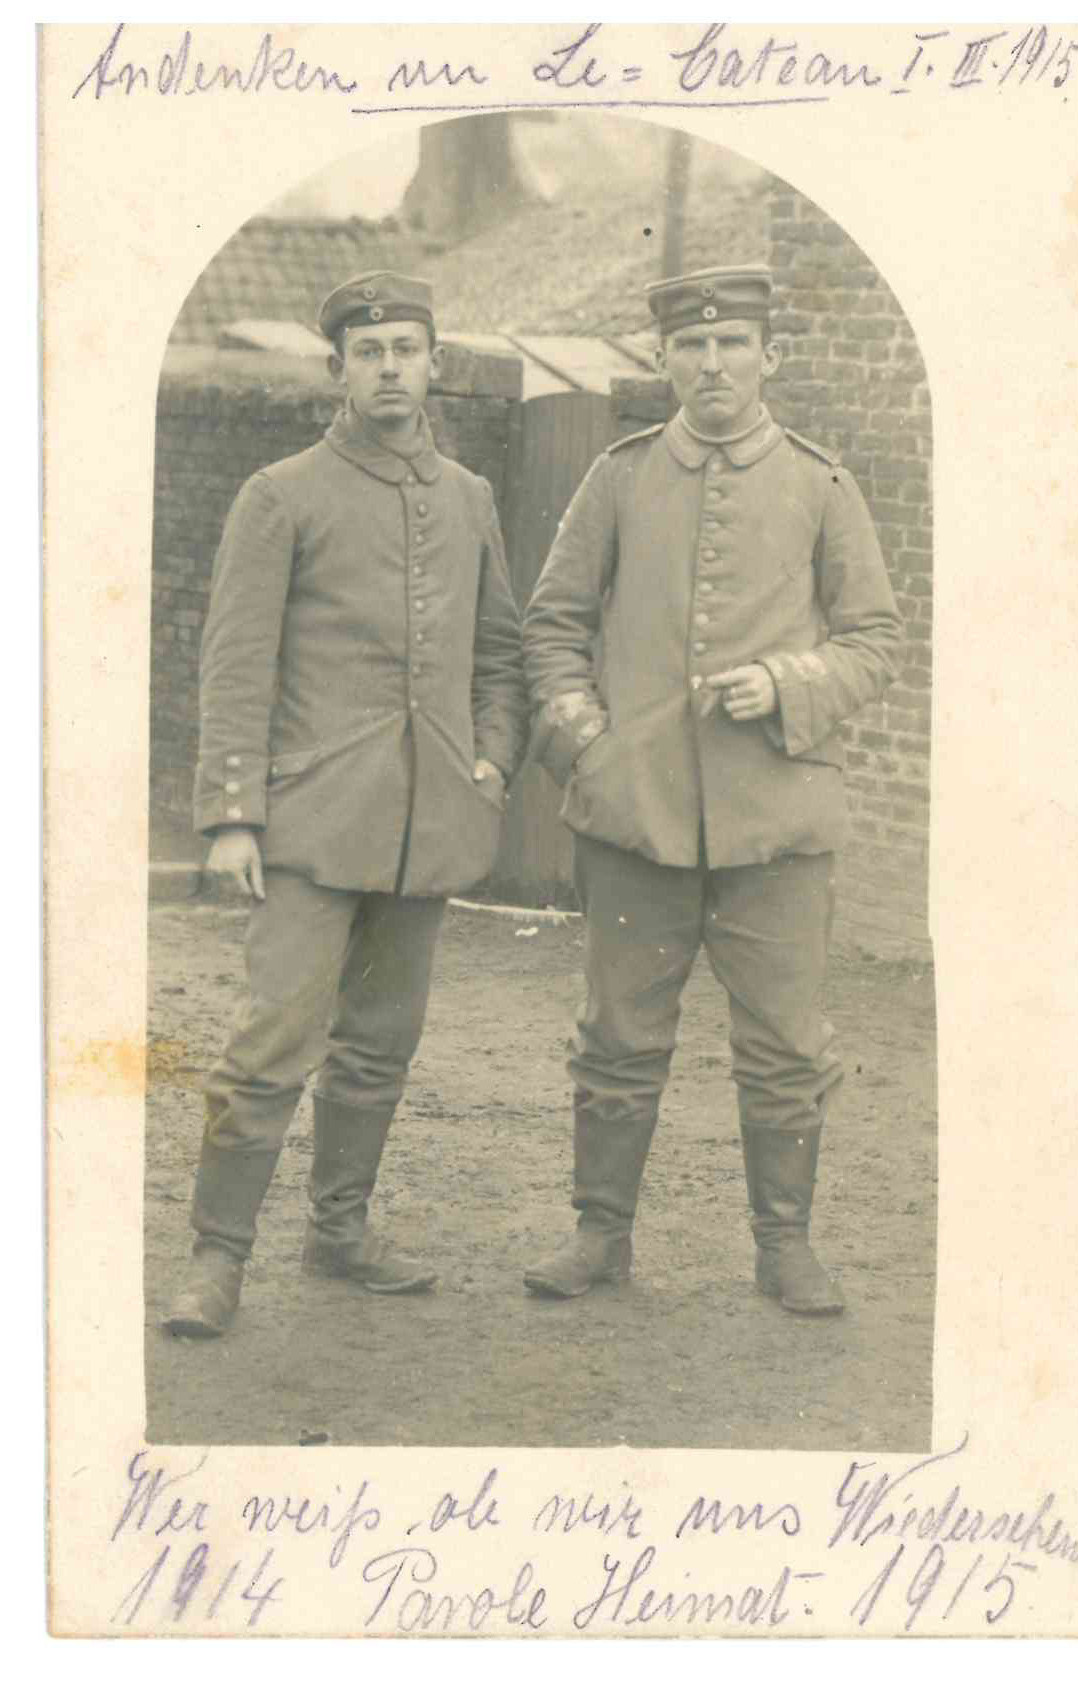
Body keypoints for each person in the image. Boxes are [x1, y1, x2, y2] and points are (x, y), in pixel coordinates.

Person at [521, 264, 904, 1315]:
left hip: (776, 823)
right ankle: (599, 1234)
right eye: (690, 346)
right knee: (616, 1037)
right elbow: (551, 626)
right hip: (633, 818)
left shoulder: (822, 485)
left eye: (732, 343)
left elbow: (875, 641)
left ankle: (784, 1246)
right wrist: (587, 744)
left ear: (768, 357)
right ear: (663, 360)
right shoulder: (617, 476)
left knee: (784, 1047)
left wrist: (787, 682)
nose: (712, 363)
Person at [166, 270, 528, 1338]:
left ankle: (338, 1231)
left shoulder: (468, 498)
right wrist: (233, 814)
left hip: (428, 823)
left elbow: (499, 655)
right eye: (368, 353)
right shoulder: (280, 493)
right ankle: (216, 1258)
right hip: (310, 824)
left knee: (380, 1043)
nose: (389, 369)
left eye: (406, 350)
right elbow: (237, 663)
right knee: (270, 1044)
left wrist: (490, 762)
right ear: (337, 369)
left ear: (434, 364)